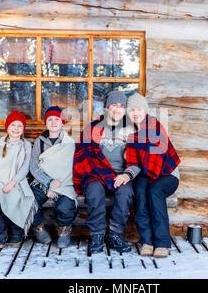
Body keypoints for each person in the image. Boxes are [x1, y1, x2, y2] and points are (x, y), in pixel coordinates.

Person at [73, 91, 140, 254]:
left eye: (122, 106)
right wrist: (105, 175)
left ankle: (115, 234)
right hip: (96, 172)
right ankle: (97, 235)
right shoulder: (93, 128)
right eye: (114, 105)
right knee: (94, 191)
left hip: (120, 174)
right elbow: (86, 156)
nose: (118, 110)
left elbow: (138, 160)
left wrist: (127, 175)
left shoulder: (131, 130)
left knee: (125, 192)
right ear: (106, 108)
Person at [125, 93, 180, 258]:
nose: (136, 113)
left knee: (153, 191)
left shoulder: (155, 126)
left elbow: (157, 154)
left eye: (139, 109)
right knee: (140, 192)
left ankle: (162, 242)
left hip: (167, 175)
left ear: (145, 110)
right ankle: (147, 241)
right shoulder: (132, 133)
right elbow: (134, 162)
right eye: (132, 110)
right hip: (145, 173)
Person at [0, 110, 37, 249]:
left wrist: (13, 183)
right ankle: (0, 235)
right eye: (13, 125)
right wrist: (1, 183)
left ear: (23, 128)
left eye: (20, 126)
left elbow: (25, 167)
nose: (16, 129)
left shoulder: (26, 145)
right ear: (7, 127)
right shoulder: (2, 142)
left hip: (18, 181)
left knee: (17, 199)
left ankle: (16, 233)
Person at [29, 106, 77, 248]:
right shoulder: (40, 142)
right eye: (50, 119)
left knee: (66, 205)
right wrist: (49, 183)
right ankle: (38, 227)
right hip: (43, 181)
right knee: (29, 199)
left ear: (62, 123)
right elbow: (34, 166)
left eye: (57, 119)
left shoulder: (69, 143)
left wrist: (58, 187)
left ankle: (64, 229)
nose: (54, 122)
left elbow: (70, 169)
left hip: (64, 182)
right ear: (46, 123)